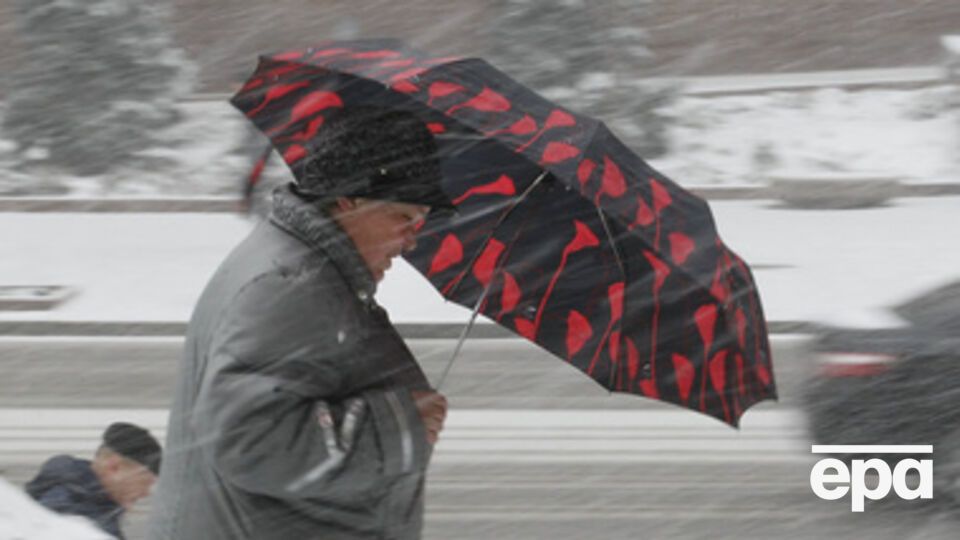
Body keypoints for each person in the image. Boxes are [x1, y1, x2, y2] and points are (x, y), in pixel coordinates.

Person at [148, 106, 452, 540]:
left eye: (420, 223)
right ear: (350, 200)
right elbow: (251, 440)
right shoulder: (292, 285)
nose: (410, 242)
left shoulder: (298, 264)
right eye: (403, 219)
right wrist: (399, 426)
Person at [25, 422, 162, 539]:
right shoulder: (67, 511)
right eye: (144, 481)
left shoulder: (93, 508)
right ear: (114, 467)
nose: (146, 493)